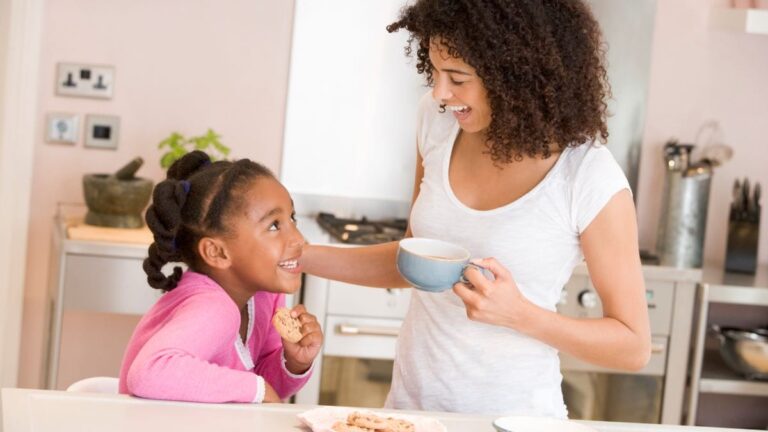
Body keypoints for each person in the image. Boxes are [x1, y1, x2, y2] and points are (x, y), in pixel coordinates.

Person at [300, 0, 650, 418]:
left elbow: (633, 346)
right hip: (409, 415)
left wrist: (521, 315)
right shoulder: (437, 122)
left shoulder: (587, 176)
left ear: (515, 75)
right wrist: (299, 256)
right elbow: (413, 260)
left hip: (513, 421)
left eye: (458, 78)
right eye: (435, 72)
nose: (439, 93)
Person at [119, 151, 322, 404]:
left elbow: (264, 389)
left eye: (292, 218)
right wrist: (255, 388)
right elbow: (149, 372)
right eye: (273, 226)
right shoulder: (212, 307)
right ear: (217, 252)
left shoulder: (265, 296)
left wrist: (293, 362)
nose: (299, 239)